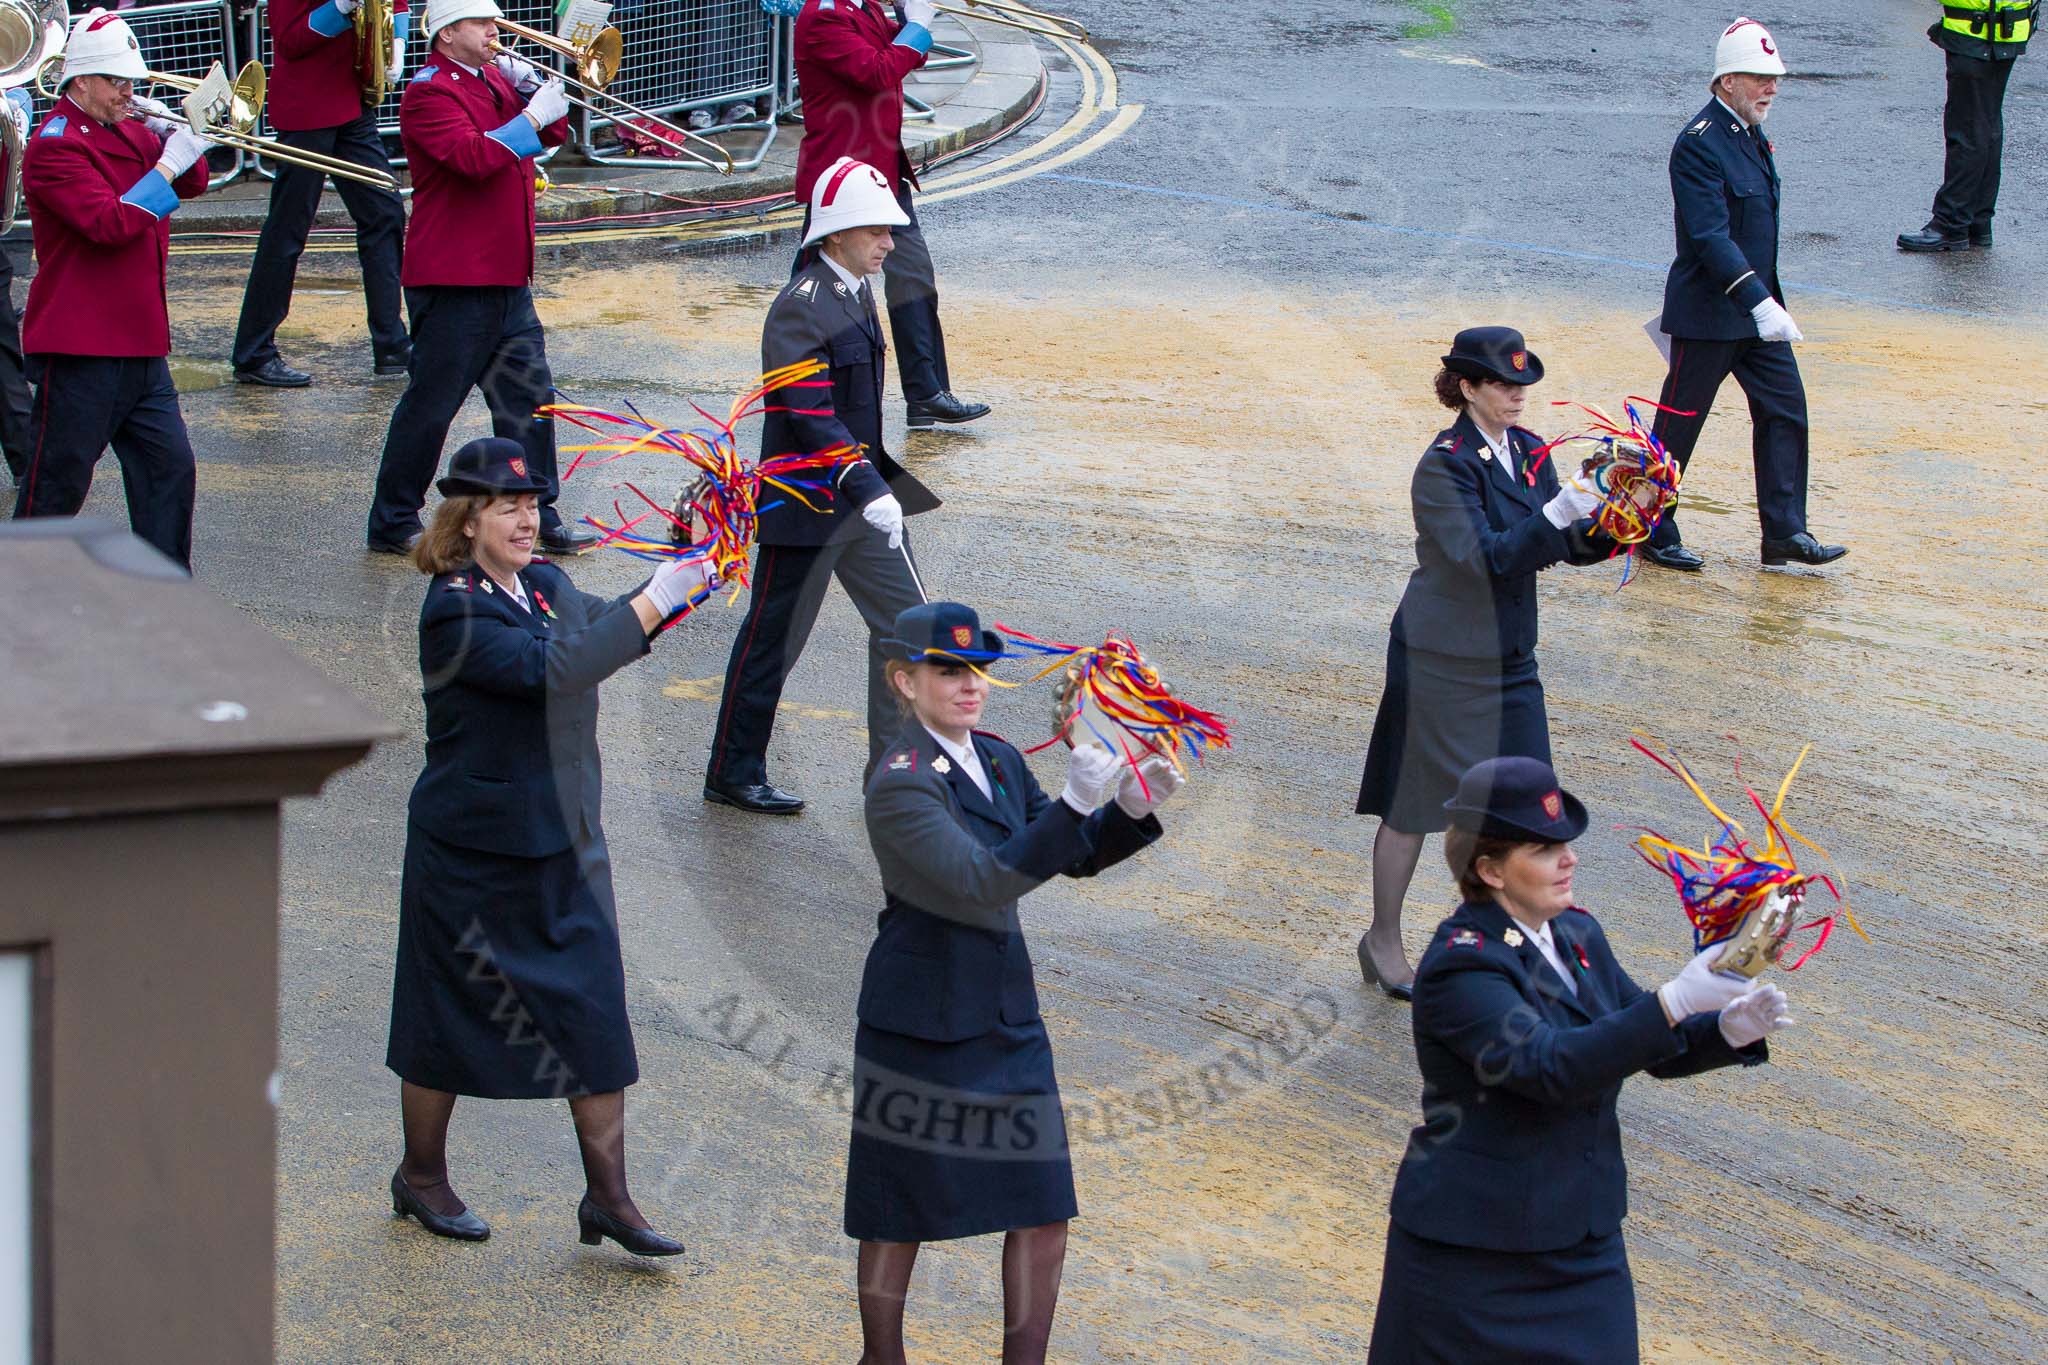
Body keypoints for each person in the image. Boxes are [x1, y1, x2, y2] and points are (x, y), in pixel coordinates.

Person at [386, 436, 715, 1256]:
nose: (529, 519)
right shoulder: (454, 607)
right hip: (472, 852)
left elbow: (603, 626)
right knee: (444, 1019)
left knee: (595, 1015)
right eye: (510, 507)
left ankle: (610, 1198)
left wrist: (684, 576)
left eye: (533, 504)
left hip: (563, 841)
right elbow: (556, 668)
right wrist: (656, 601)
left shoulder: (545, 583)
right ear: (467, 523)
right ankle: (421, 1174)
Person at [1365, 756, 1795, 1363]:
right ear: (1489, 869)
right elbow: (1550, 1068)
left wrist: (1725, 1028)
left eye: (1564, 842)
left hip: (1581, 1248)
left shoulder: (1577, 934)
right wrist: (1674, 1003)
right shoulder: (1462, 963)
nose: (1568, 859)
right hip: (1471, 1264)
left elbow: (1643, 1042)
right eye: (1542, 849)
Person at [847, 601, 1178, 1365]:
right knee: (899, 1208)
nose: (970, 685)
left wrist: (1129, 807)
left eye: (979, 671)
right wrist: (1071, 803)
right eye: (949, 670)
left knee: (1041, 1203)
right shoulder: (898, 780)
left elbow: (1071, 854)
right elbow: (980, 880)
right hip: (921, 1019)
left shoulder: (995, 758)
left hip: (1002, 1011)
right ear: (906, 680)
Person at [1354, 327, 1616, 999]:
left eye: (1522, 384)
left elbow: (1557, 545)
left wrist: (1615, 522)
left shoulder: (1529, 451)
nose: (1516, 394)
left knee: (1529, 808)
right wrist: (1557, 512)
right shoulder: (1443, 465)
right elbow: (1485, 559)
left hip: (1507, 656)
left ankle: (1522, 948)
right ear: (1467, 388)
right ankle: (1383, 938)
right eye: (1503, 384)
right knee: (1415, 805)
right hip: (1440, 658)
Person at [702, 156, 939, 815]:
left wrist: (871, 488)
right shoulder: (800, 309)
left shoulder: (853, 288)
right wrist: (870, 487)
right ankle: (732, 768)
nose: (889, 244)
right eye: (876, 233)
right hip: (810, 502)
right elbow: (811, 416)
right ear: (834, 235)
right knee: (773, 642)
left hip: (860, 498)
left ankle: (892, 774)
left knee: (906, 626)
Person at [363, 0, 598, 557]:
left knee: (530, 401)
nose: (494, 32)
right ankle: (393, 517)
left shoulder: (492, 78)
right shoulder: (429, 90)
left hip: (505, 272)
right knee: (432, 404)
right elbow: (471, 157)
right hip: (455, 276)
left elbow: (550, 133)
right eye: (481, 23)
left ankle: (538, 512)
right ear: (447, 34)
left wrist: (537, 91)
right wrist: (530, 116)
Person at [1642, 17, 1846, 574]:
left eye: (1773, 77)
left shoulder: (1748, 133)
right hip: (1712, 314)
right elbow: (1709, 236)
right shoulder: (1699, 144)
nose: (1771, 88)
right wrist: (1758, 301)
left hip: (1758, 314)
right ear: (1727, 80)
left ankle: (1784, 533)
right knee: (1678, 425)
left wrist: (1766, 306)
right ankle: (1649, 527)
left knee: (1785, 411)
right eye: (1759, 77)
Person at [10, 7, 212, 571]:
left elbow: (192, 179)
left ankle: (168, 593)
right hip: (81, 343)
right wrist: (167, 163)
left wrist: (175, 129)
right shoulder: (56, 144)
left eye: (132, 81)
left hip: (140, 340)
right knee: (57, 484)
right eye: (117, 81)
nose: (129, 91)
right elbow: (109, 224)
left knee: (169, 471)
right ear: (82, 80)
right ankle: (20, 591)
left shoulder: (124, 125)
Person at [793, 0, 990, 430]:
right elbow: (878, 71)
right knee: (816, 286)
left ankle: (926, 393)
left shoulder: (859, 10)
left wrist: (907, 16)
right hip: (843, 177)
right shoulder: (825, 15)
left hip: (880, 170)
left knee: (913, 279)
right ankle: (797, 389)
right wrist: (919, 22)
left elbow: (898, 56)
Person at [228, 0, 413, 386]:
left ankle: (391, 344)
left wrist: (397, 42)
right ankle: (254, 353)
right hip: (308, 108)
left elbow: (396, 4)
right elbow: (291, 41)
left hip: (351, 100)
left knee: (385, 212)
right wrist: (340, 7)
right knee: (288, 232)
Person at [1897, 0, 2032, 251]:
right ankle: (1976, 221)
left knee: (1968, 130)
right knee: (1987, 127)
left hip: (1977, 30)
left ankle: (1951, 224)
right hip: (2002, 27)